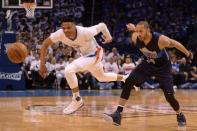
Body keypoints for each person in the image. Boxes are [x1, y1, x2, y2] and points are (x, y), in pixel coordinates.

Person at [105, 21, 193, 126]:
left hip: (163, 68)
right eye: (137, 31)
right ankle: (118, 114)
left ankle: (179, 114)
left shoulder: (160, 40)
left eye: (141, 31)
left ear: (148, 30)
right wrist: (134, 29)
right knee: (128, 81)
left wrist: (188, 54)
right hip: (148, 63)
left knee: (169, 97)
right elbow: (135, 32)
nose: (138, 34)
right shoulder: (135, 37)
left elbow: (175, 44)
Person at [39, 17, 127, 114]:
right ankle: (125, 78)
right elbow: (45, 44)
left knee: (69, 69)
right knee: (101, 77)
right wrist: (42, 64)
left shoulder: (85, 32)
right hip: (86, 57)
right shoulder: (60, 34)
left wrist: (109, 37)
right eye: (64, 28)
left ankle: (77, 99)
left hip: (95, 54)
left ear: (75, 26)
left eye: (69, 27)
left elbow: (102, 25)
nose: (66, 30)